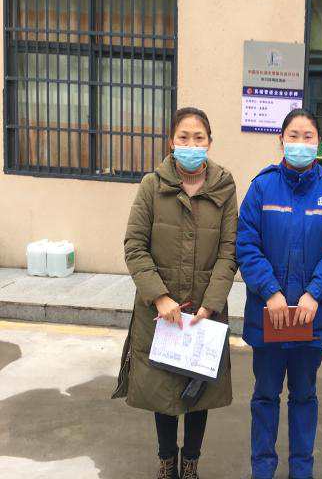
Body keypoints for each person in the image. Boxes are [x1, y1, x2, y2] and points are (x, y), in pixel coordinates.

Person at [112, 107, 238, 479]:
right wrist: (159, 297)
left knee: (199, 390)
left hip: (204, 310)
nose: (191, 144)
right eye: (184, 137)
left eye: (199, 138)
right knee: (163, 391)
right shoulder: (152, 185)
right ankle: (167, 462)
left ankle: (191, 463)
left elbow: (230, 250)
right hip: (160, 312)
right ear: (171, 141)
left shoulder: (224, 186)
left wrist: (211, 304)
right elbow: (135, 245)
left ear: (210, 142)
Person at [236, 109, 322, 479]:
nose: (300, 143)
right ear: (281, 140)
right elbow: (246, 245)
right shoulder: (262, 188)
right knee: (265, 396)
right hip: (268, 316)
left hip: (310, 318)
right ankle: (262, 469)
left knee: (304, 396)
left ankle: (301, 471)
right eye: (293, 135)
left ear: (318, 142)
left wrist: (314, 293)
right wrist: (270, 291)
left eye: (308, 136)